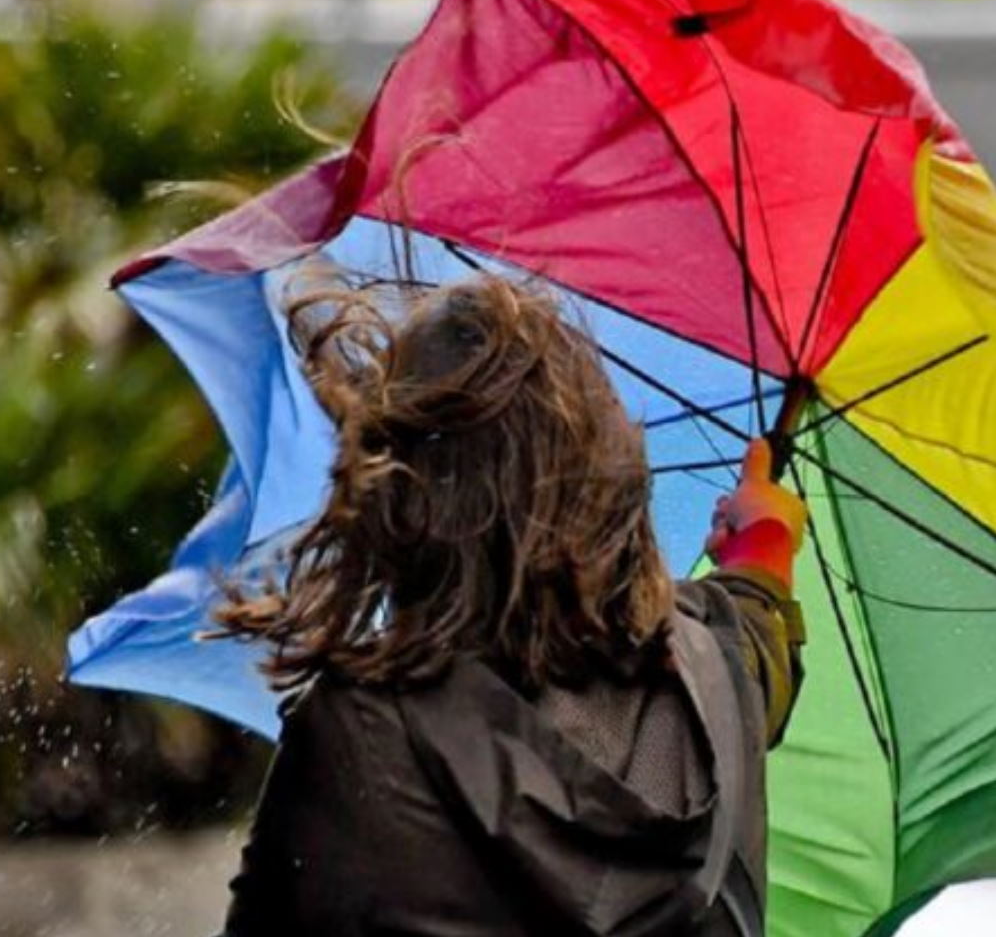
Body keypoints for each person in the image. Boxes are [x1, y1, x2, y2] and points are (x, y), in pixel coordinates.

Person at [214, 276, 807, 937]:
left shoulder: (360, 728)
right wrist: (766, 542)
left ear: (401, 501)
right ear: (610, 483)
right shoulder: (718, 676)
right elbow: (756, 625)